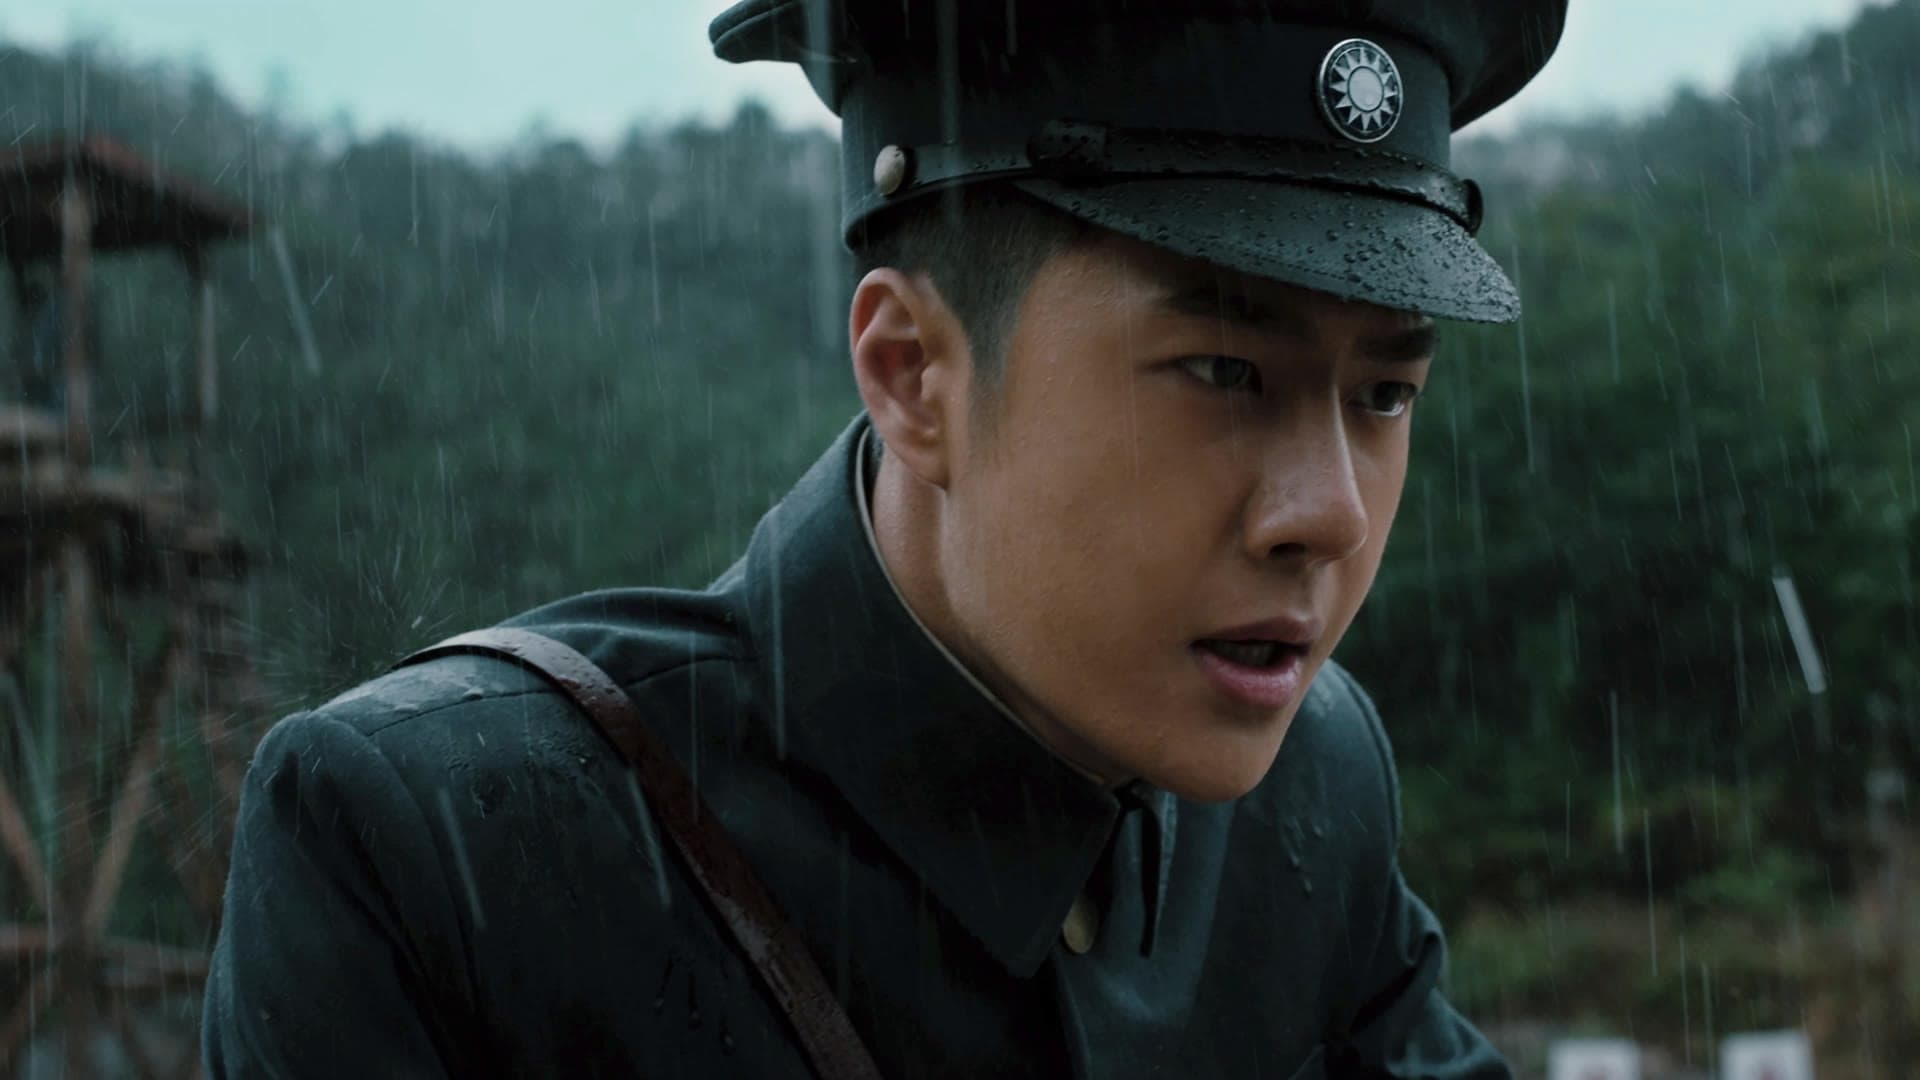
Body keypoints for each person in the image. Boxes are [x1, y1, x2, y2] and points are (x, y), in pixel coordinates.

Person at [204, 1, 1567, 1076]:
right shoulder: (447, 852)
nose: (1329, 513)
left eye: (1384, 395)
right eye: (1225, 372)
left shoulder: (1315, 784)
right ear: (914, 375)